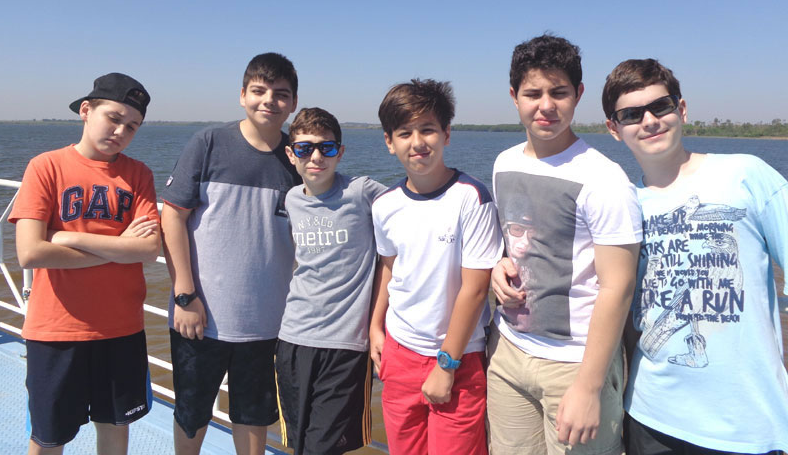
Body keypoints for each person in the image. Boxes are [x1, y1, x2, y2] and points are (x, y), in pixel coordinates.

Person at [602, 58, 788, 455]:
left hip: (749, 424)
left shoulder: (746, 175)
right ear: (614, 129)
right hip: (650, 418)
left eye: (661, 106)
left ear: (681, 109)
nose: (649, 121)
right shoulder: (624, 205)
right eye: (631, 114)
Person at [489, 34, 642, 455]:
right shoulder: (504, 163)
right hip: (507, 350)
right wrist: (498, 267)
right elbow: (517, 243)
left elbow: (618, 287)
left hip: (575, 363)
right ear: (514, 97)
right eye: (532, 93)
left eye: (559, 92)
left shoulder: (604, 179)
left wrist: (589, 387)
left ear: (578, 94)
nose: (546, 105)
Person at [9, 73, 160, 455]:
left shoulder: (138, 174)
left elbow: (148, 249)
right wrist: (120, 246)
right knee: (49, 438)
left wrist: (67, 237)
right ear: (87, 110)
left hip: (122, 329)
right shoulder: (46, 167)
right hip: (56, 331)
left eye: (132, 126)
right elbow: (30, 252)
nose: (121, 131)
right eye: (114, 118)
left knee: (115, 429)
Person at [161, 52, 300, 455]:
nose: (269, 101)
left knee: (254, 415)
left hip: (268, 322)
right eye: (258, 91)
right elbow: (173, 218)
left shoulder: (298, 159)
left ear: (293, 103)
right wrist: (184, 295)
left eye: (280, 94)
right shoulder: (209, 143)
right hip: (199, 318)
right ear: (242, 95)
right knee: (192, 412)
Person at [369, 78, 503, 455]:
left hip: (458, 358)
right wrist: (375, 327)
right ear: (389, 141)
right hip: (399, 352)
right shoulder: (385, 205)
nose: (417, 142)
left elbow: (476, 289)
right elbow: (389, 269)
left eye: (427, 129)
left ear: (446, 134)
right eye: (404, 133)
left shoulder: (471, 197)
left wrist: (446, 365)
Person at [275, 107, 386, 455]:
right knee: (300, 444)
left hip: (345, 345)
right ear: (291, 154)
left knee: (323, 448)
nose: (316, 157)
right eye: (305, 148)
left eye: (327, 148)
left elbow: (415, 211)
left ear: (340, 152)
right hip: (292, 339)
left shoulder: (362, 191)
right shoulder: (292, 199)